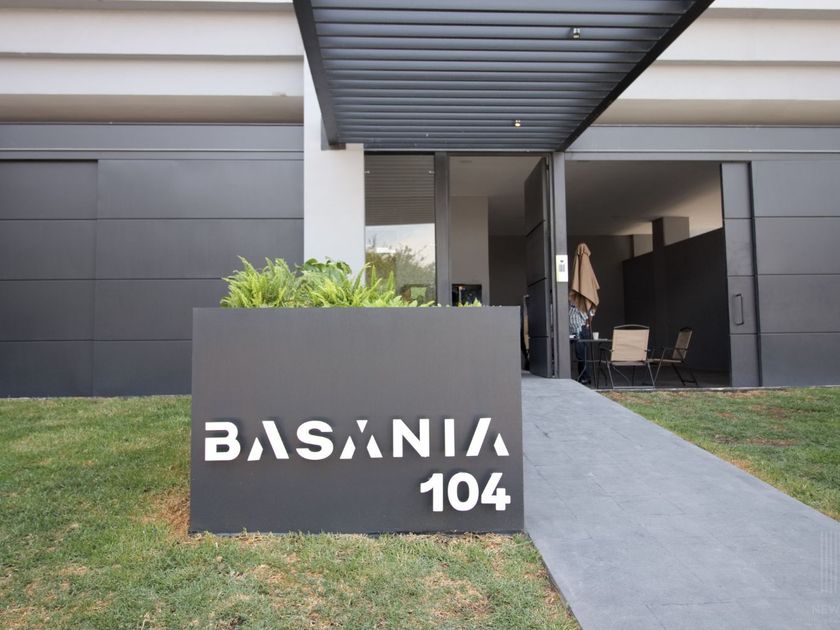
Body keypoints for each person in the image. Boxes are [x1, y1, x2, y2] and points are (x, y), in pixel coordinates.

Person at [569, 303, 592, 384]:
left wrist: (587, 326)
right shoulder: (570, 306)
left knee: (581, 354)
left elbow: (587, 318)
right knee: (579, 355)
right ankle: (581, 376)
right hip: (573, 332)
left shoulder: (580, 305)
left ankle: (586, 377)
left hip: (581, 331)